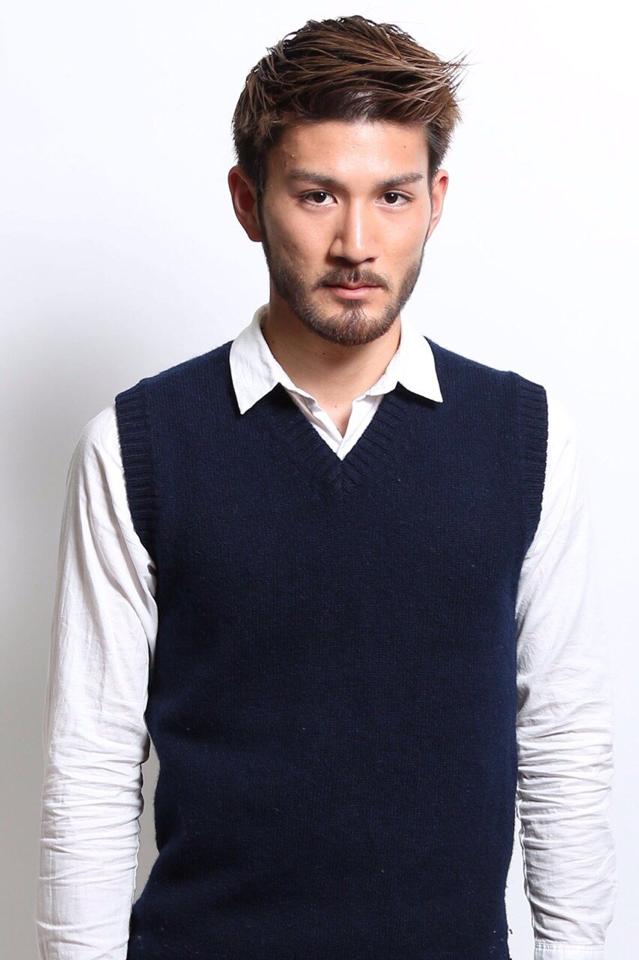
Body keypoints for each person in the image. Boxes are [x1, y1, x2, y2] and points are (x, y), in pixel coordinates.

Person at [36, 13, 617, 960]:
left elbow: (561, 743)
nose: (356, 242)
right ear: (247, 200)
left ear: (434, 200)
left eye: (392, 196)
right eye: (316, 196)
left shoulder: (526, 438)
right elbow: (91, 767)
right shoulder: (137, 446)